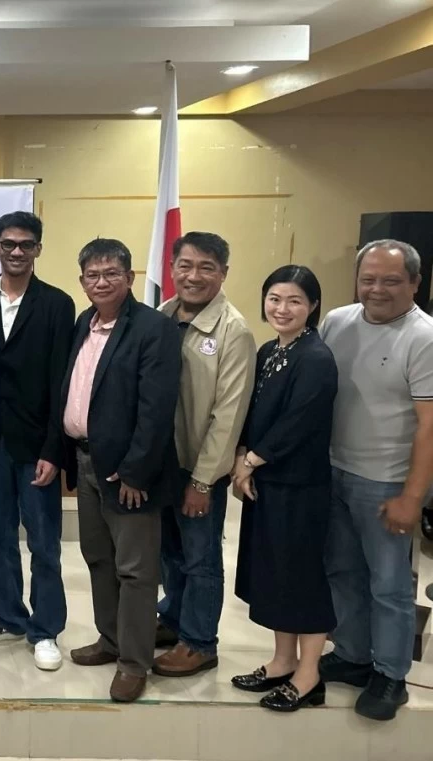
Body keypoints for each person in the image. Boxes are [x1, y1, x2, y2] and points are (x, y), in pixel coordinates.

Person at [61, 238, 181, 703]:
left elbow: (156, 409)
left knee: (135, 570)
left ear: (129, 278)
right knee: (99, 559)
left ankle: (134, 661)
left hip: (129, 474)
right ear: (83, 281)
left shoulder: (152, 328)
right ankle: (110, 640)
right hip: (87, 461)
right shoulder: (82, 324)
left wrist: (135, 472)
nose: (101, 282)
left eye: (111, 273)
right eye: (92, 274)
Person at [319, 239, 433, 721]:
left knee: (388, 584)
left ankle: (389, 674)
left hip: (386, 482)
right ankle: (352, 654)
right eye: (368, 278)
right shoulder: (337, 321)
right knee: (342, 573)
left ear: (414, 283)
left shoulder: (424, 336)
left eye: (390, 280)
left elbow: (430, 426)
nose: (377, 289)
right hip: (332, 472)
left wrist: (412, 496)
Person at [0, 211, 74, 672]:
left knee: (44, 541)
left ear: (38, 250)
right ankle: (7, 615)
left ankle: (45, 628)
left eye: (26, 244)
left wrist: (54, 449)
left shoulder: (57, 303)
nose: (16, 251)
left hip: (36, 447)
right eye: (8, 243)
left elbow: (60, 382)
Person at [231, 265, 338, 712]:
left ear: (313, 306)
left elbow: (298, 423)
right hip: (269, 482)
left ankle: (310, 675)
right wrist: (242, 457)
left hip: (300, 487)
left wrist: (250, 461)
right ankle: (281, 660)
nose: (282, 308)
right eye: (275, 298)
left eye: (295, 300)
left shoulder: (315, 357)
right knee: (276, 576)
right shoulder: (270, 349)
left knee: (303, 579)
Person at [152, 232, 256, 677]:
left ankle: (199, 641)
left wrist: (202, 481)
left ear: (223, 273)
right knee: (169, 553)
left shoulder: (234, 331)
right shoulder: (161, 316)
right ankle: (174, 618)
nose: (194, 276)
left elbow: (228, 415)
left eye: (206, 267)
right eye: (186, 266)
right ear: (171, 269)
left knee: (201, 559)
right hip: (162, 465)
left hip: (198, 469)